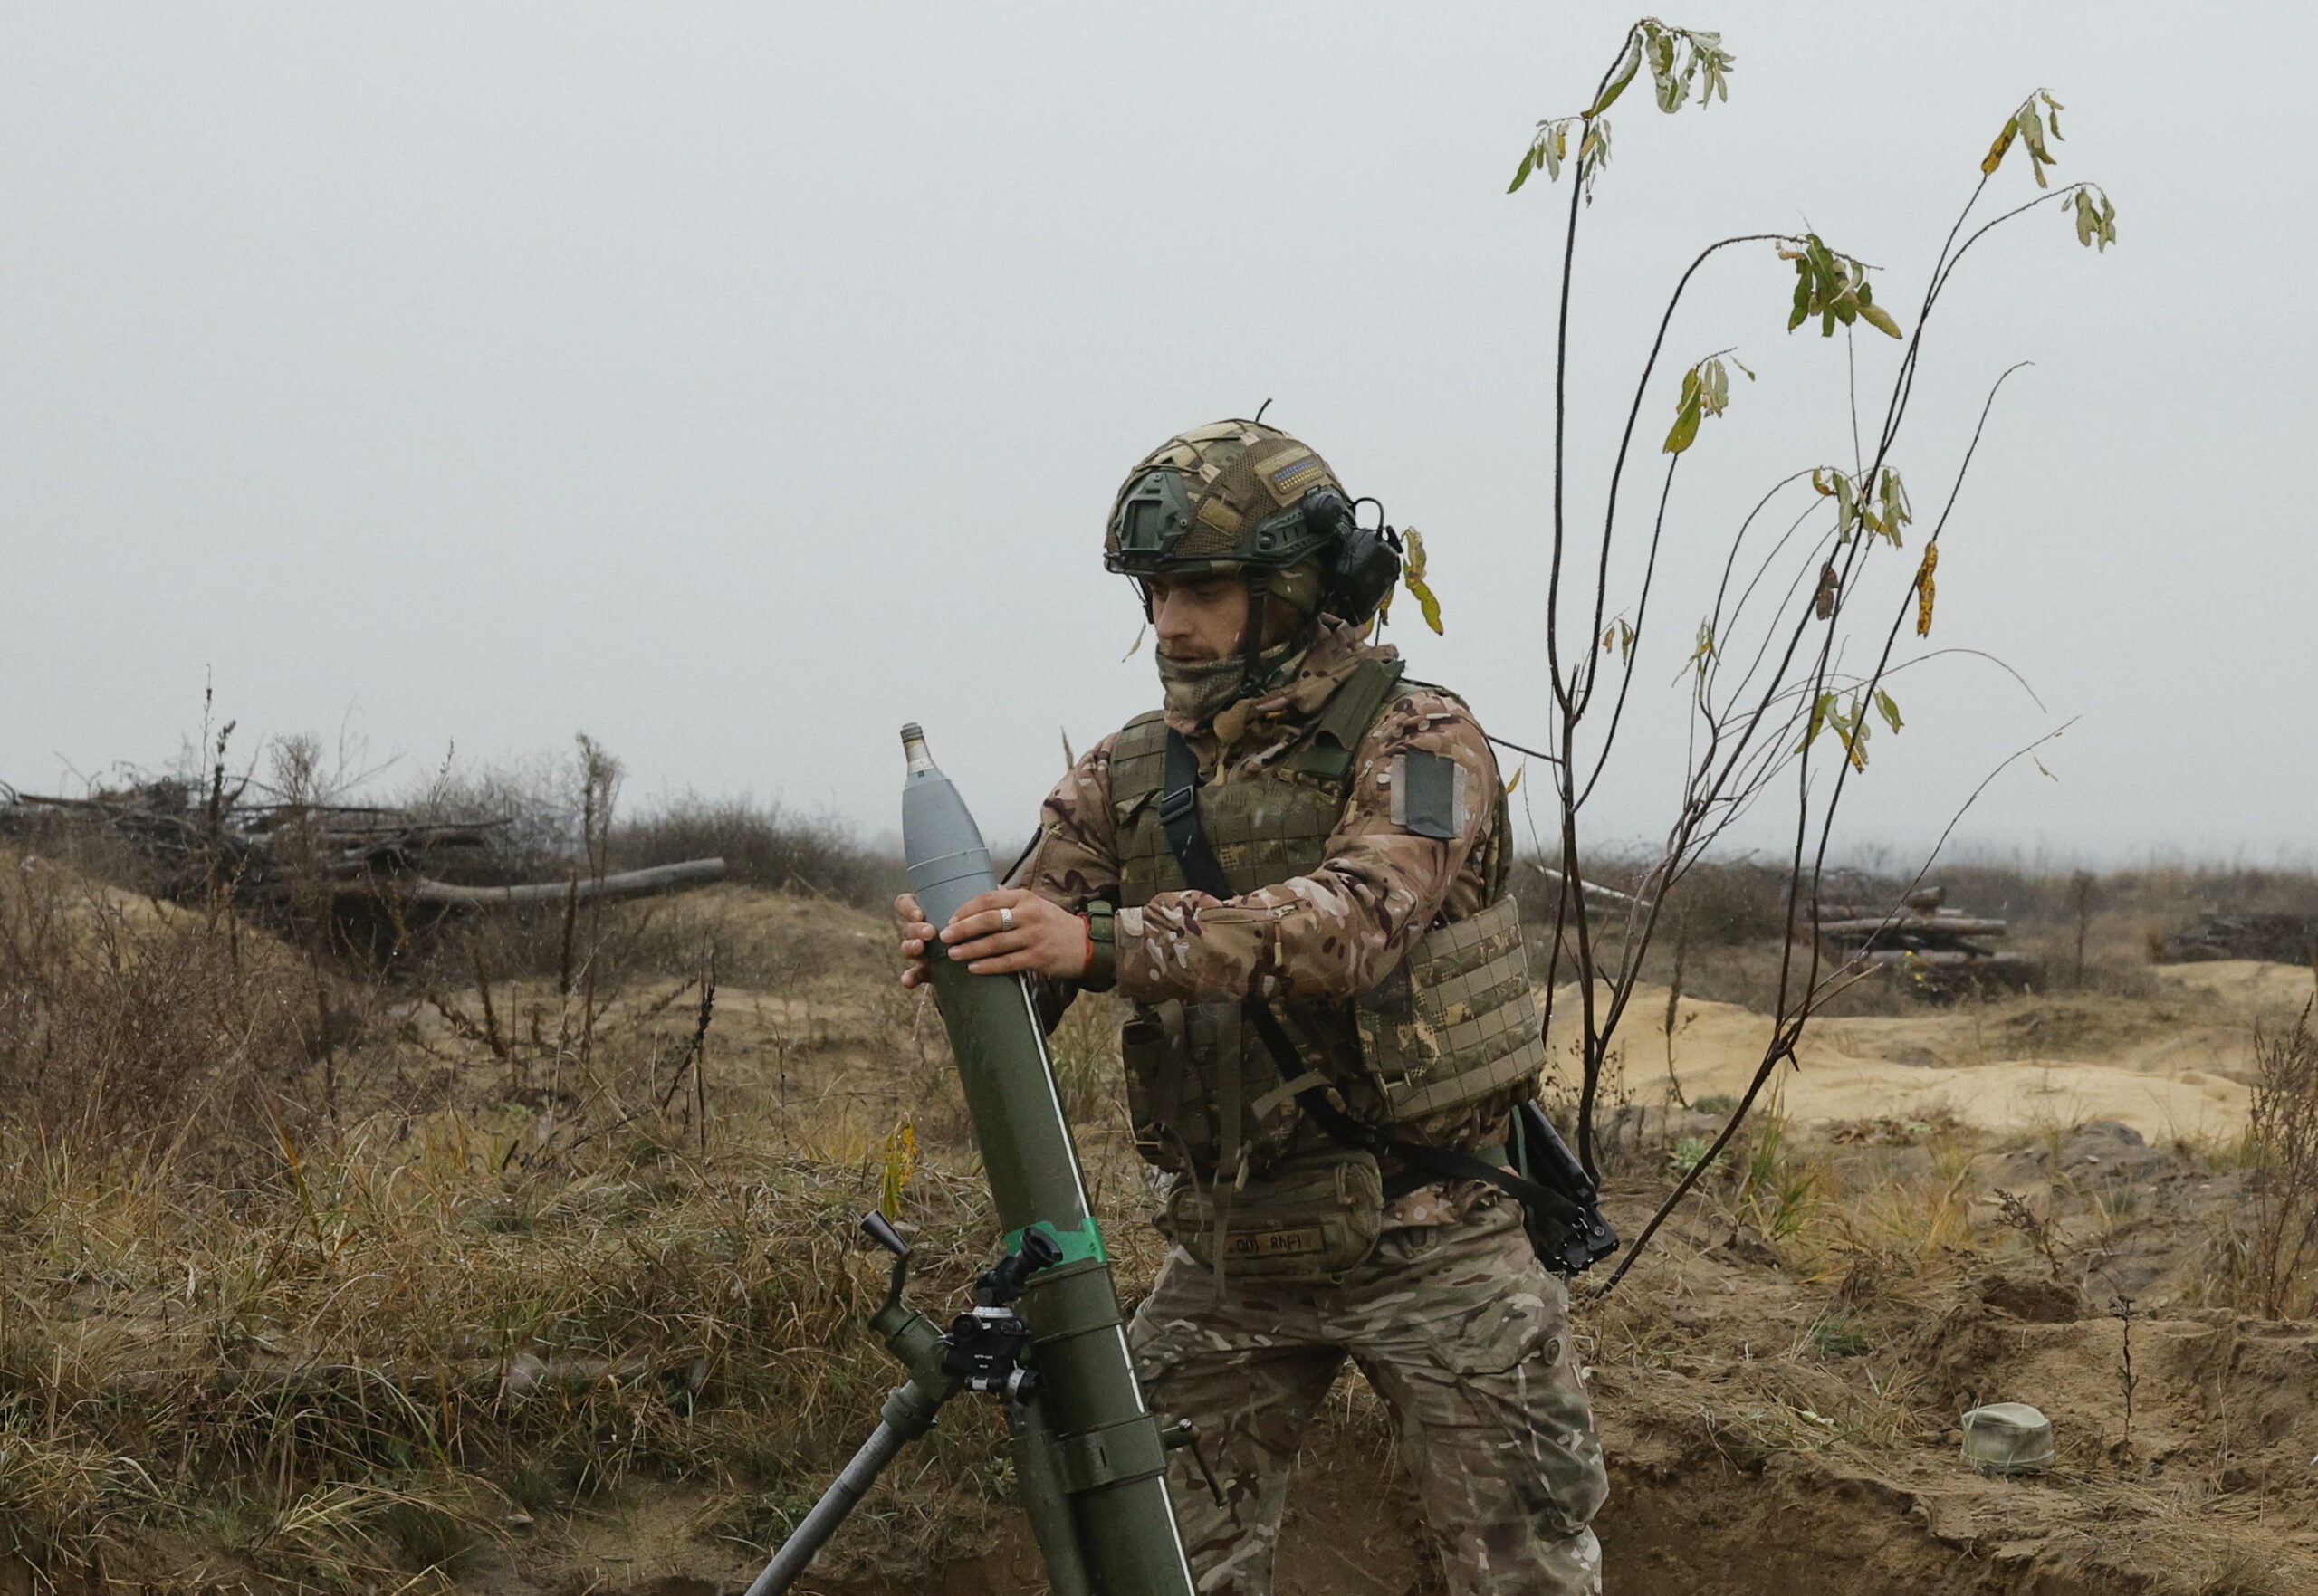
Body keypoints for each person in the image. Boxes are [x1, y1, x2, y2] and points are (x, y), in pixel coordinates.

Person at [894, 419, 1607, 1596]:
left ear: (1300, 588)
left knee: (1521, 1565)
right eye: (1156, 591)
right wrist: (980, 950)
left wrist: (1106, 941)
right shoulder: (1126, 772)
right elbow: (1041, 929)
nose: (1171, 622)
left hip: (1436, 1238)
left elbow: (1355, 923)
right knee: (1155, 1559)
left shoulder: (1422, 739)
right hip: (1231, 1250)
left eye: (1204, 590)